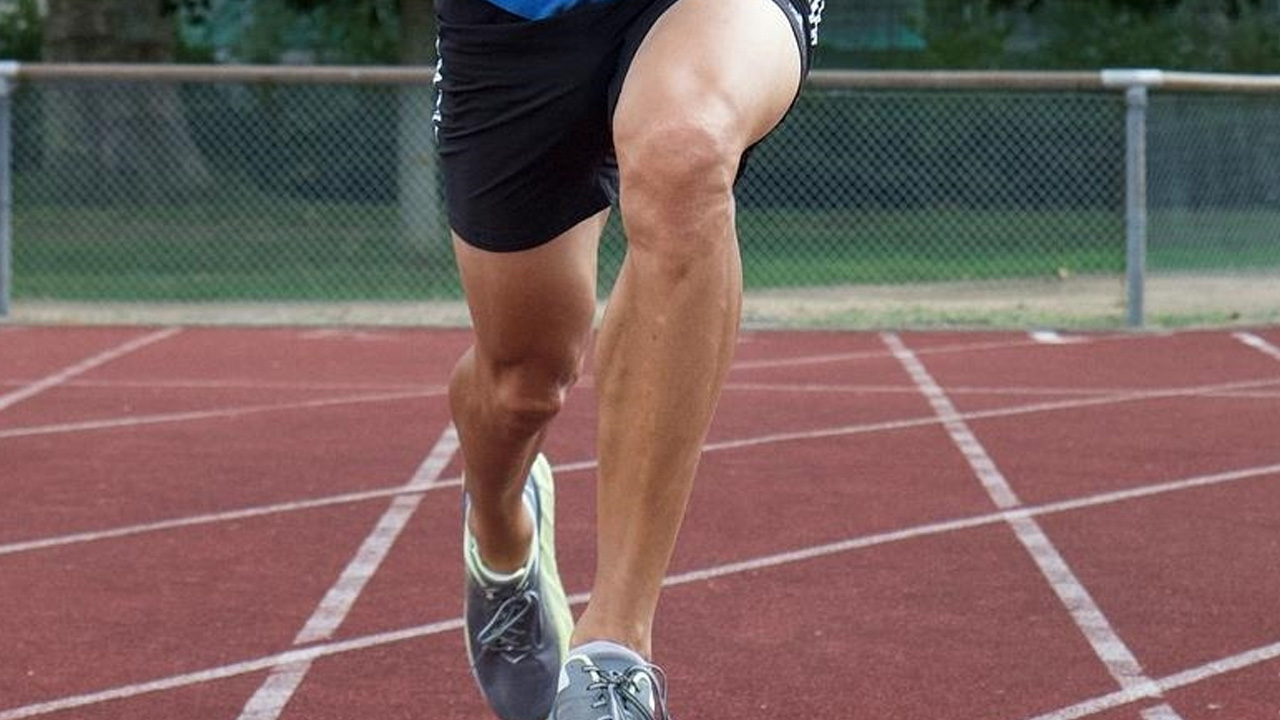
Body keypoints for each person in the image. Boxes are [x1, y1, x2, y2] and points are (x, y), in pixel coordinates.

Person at [433, 0, 822, 716]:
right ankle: (500, 533)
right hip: (520, 21)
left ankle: (611, 657)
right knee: (524, 383)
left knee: (685, 149)